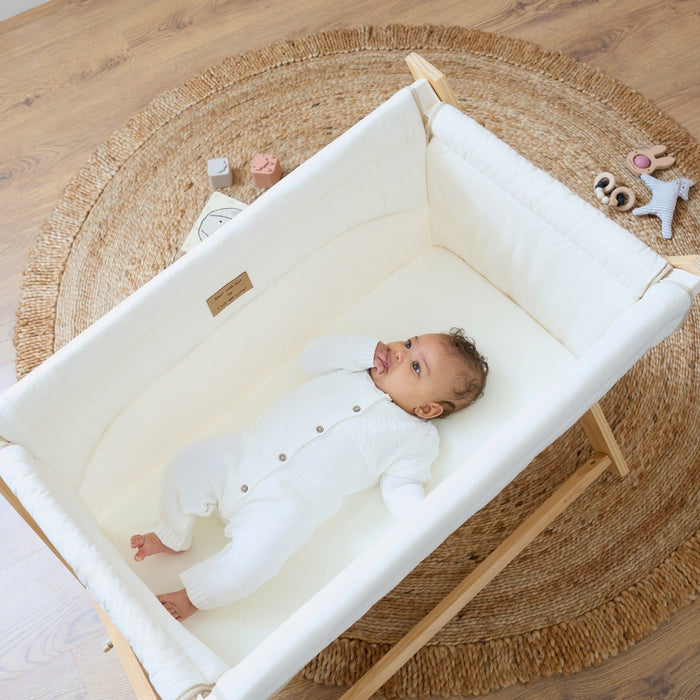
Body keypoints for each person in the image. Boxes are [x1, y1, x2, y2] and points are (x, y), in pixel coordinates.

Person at [130, 330, 488, 620]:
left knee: (257, 560)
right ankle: (172, 533)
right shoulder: (354, 367)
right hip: (241, 457)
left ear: (427, 408)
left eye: (415, 367)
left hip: (285, 506)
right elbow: (310, 358)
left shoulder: (415, 438)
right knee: (186, 463)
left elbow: (402, 484)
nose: (399, 352)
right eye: (409, 343)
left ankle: (196, 594)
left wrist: (425, 520)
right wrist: (363, 351)